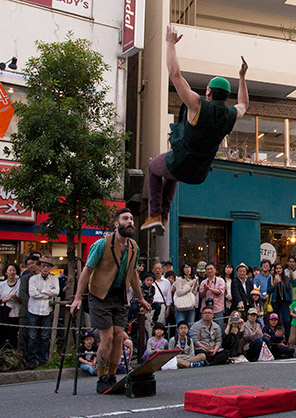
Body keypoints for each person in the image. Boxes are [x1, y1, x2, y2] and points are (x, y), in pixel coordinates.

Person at [143, 25, 250, 231]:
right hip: (199, 172)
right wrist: (242, 78)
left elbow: (174, 74)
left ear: (208, 91)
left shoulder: (197, 104)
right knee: (170, 172)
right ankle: (162, 218)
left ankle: (155, 214)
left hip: (182, 161)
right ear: (225, 96)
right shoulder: (230, 115)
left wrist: (170, 44)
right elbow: (244, 104)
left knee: (153, 168)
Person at [69, 208, 148, 394]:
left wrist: (141, 298)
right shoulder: (101, 244)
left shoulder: (134, 247)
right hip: (100, 294)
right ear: (116, 224)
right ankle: (101, 377)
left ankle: (112, 375)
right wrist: (78, 297)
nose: (130, 222)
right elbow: (87, 270)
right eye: (125, 219)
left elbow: (134, 275)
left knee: (119, 336)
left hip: (119, 296)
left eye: (131, 218)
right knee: (107, 337)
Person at [26, 257, 60, 370]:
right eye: (43, 266)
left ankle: (42, 359)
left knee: (45, 336)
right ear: (39, 267)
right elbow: (33, 294)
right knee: (32, 336)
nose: (45, 268)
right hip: (33, 310)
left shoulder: (54, 279)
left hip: (47, 310)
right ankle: (31, 360)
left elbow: (56, 292)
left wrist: (42, 292)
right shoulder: (33, 279)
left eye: (48, 266)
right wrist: (47, 294)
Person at [0, 263, 22, 351]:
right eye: (10, 270)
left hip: (15, 313)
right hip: (3, 314)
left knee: (12, 336)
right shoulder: (2, 285)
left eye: (13, 270)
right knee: (1, 336)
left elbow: (22, 299)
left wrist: (16, 298)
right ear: (6, 272)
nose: (12, 272)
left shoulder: (20, 284)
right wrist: (8, 298)